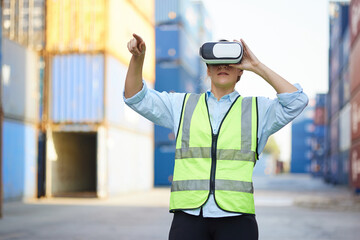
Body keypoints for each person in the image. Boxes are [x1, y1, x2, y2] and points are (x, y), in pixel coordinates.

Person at [124, 33, 308, 240]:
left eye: (231, 63)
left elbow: (297, 101)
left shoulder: (258, 110)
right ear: (208, 70)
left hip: (237, 219)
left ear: (241, 71)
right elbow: (135, 98)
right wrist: (137, 59)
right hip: (189, 216)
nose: (223, 66)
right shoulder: (181, 105)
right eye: (216, 62)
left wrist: (256, 65)